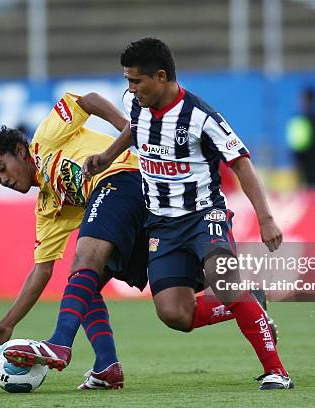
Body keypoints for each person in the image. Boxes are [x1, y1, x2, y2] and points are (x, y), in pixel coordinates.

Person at [83, 38, 293, 390]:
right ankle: (249, 301)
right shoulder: (139, 107)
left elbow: (241, 164)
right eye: (127, 81)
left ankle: (277, 372)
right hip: (161, 225)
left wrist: (266, 218)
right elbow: (134, 131)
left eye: (136, 82)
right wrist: (106, 156)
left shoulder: (199, 116)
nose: (130, 90)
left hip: (203, 217)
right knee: (174, 315)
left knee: (223, 279)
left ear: (161, 77)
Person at [0, 92, 148, 390]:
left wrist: (126, 127)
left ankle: (59, 343)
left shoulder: (45, 140)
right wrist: (8, 323)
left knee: (83, 264)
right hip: (136, 210)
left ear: (20, 150)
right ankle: (107, 366)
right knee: (177, 306)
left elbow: (88, 100)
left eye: (2, 168)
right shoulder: (47, 207)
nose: (3, 180)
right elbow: (41, 270)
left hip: (125, 177)